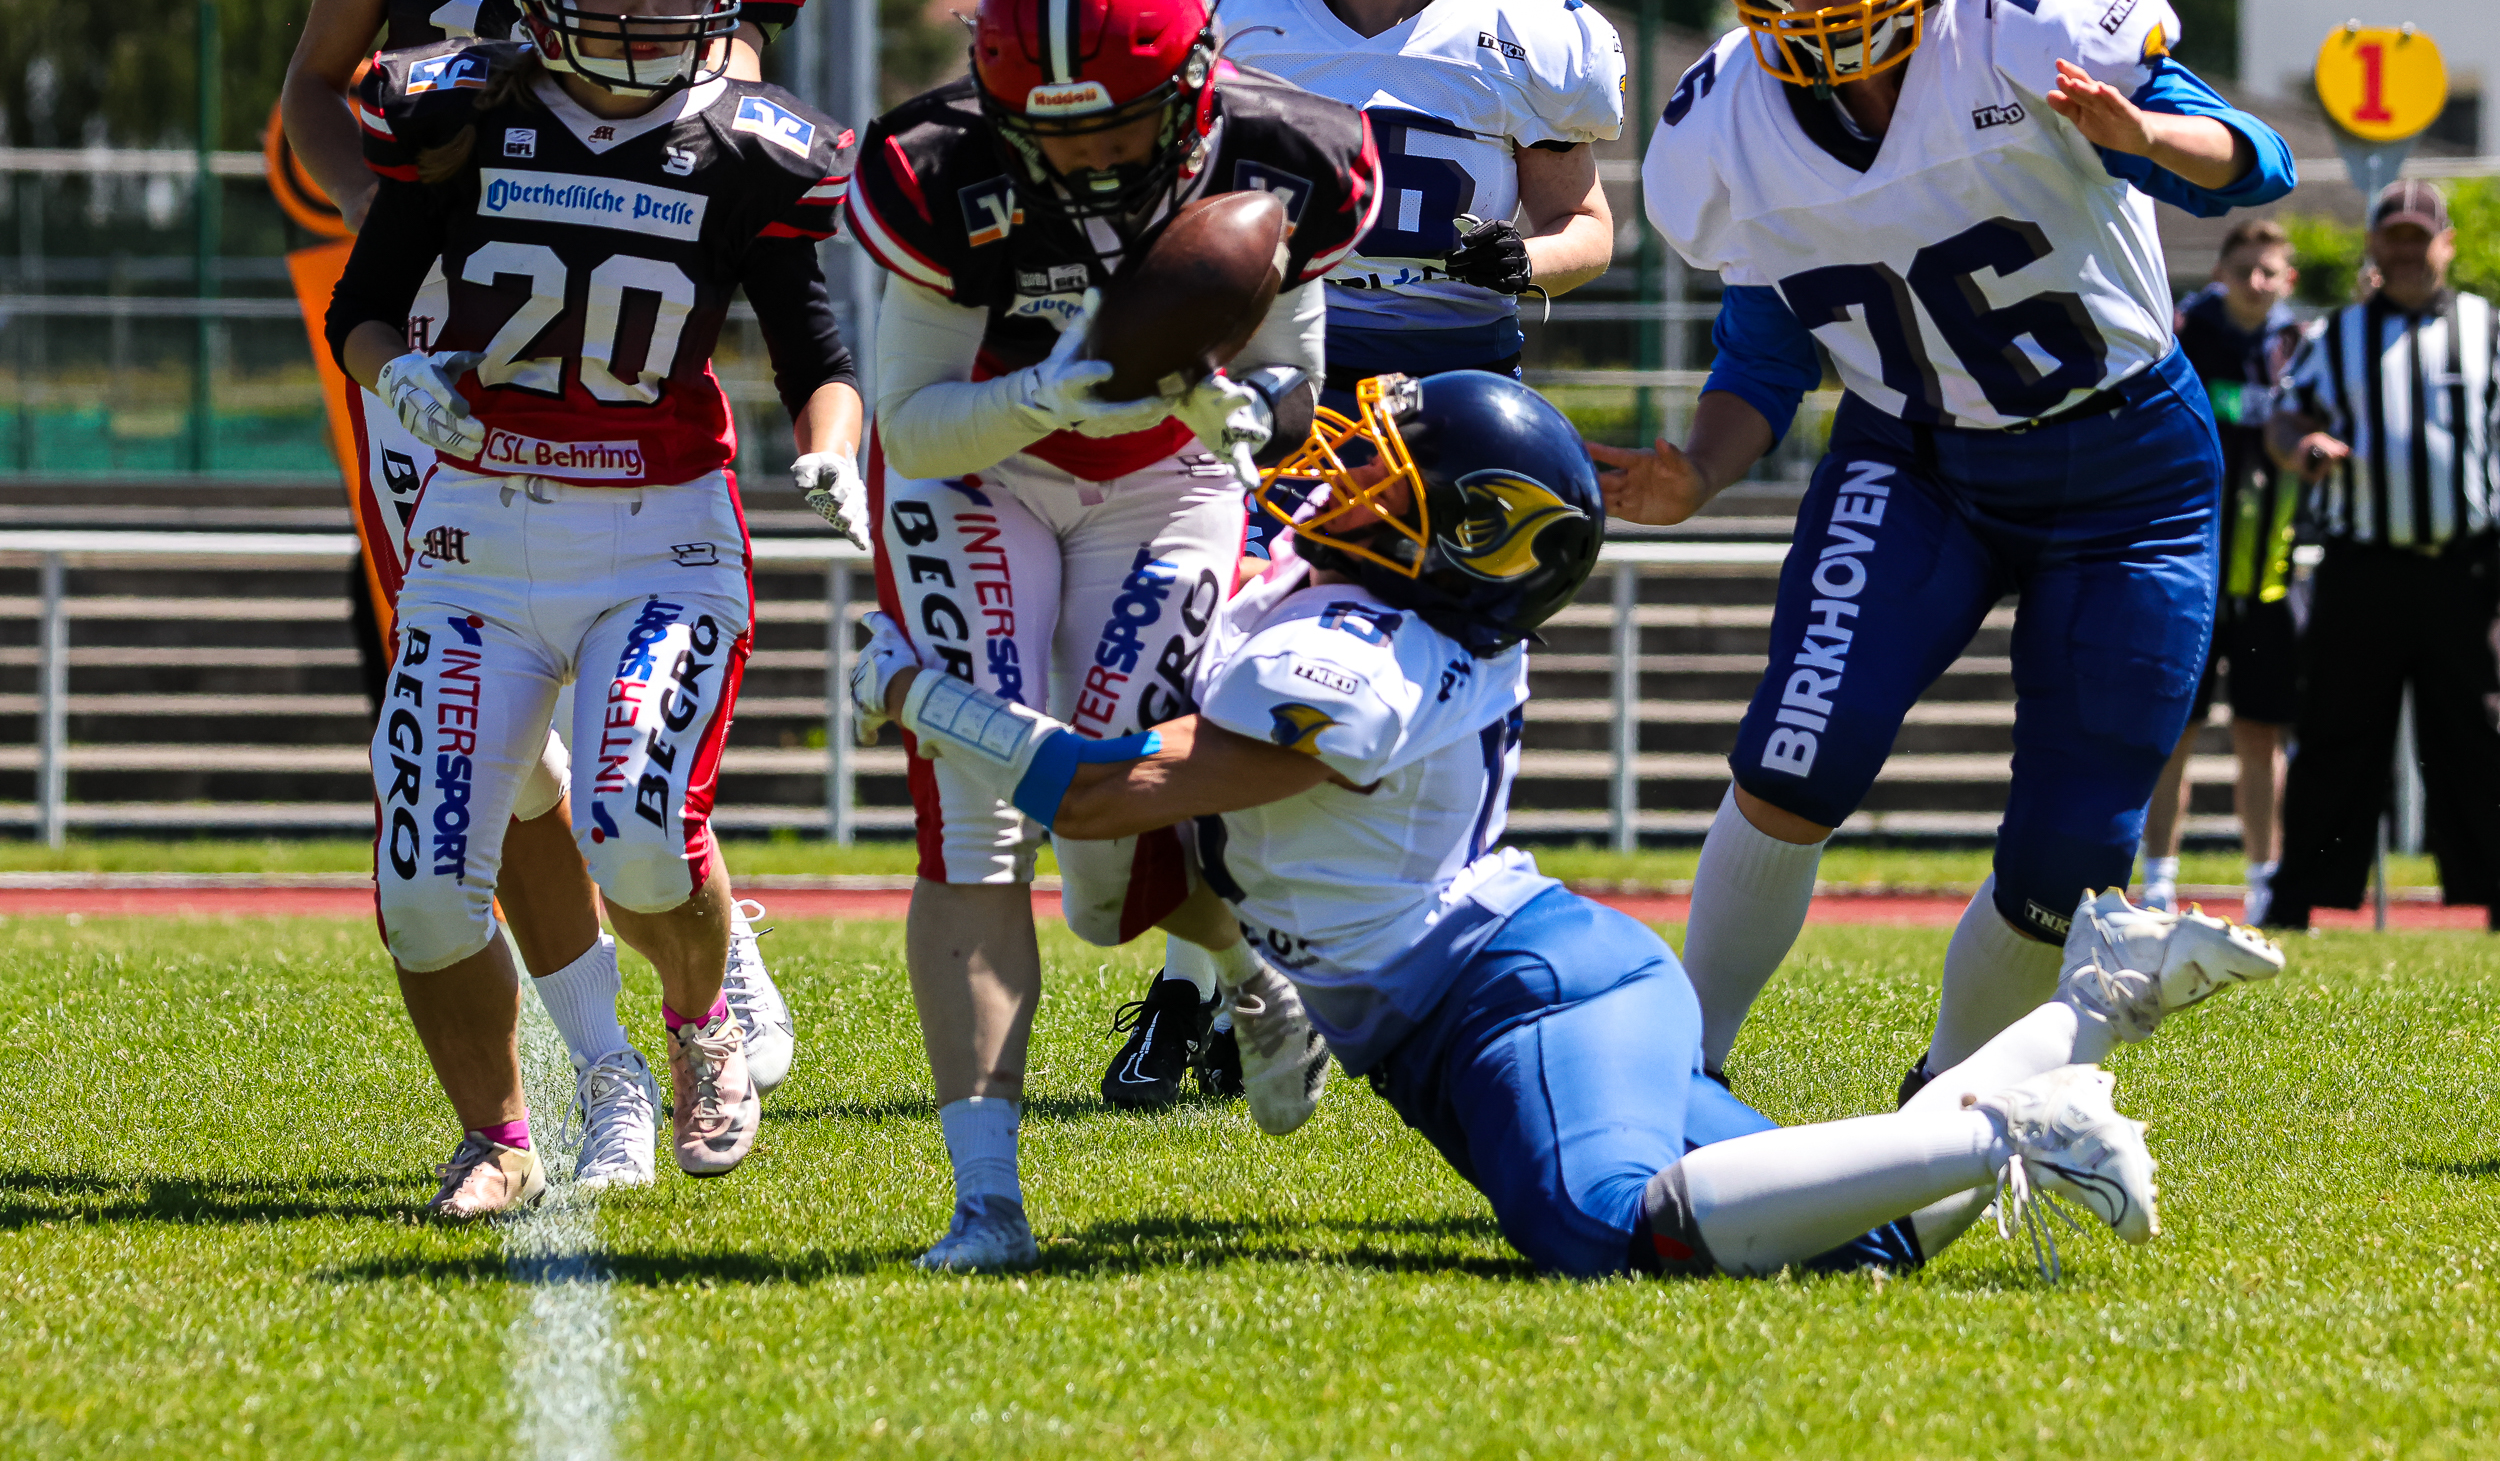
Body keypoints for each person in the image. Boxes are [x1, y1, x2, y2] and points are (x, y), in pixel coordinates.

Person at [848, 369, 2287, 1279]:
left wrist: (920, 693)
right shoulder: (1379, 602)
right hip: (1518, 987)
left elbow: (1108, 789)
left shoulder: (1359, 659)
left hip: (1509, 996)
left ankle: (2003, 1128)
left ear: (1456, 536)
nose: (1343, 471)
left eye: (1386, 470)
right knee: (1862, 1243)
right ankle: (2091, 1012)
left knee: (1614, 1222)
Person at [1592, 0, 2295, 1096]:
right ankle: (1675, 1075)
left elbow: (2254, 162)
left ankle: (1948, 1099)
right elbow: (1766, 343)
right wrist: (1701, 462)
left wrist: (2145, 138)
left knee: (2070, 852)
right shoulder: (1724, 121)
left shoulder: (2030, 27)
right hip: (1914, 458)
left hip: (2129, 471)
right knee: (1798, 756)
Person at [284, 0, 822, 1185]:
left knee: (629, 809)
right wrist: (419, 267)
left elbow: (710, 146)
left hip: (638, 455)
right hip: (461, 400)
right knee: (471, 790)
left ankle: (692, 947)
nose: (645, 10)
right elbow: (318, 98)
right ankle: (569, 1087)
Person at [842, 0, 1380, 1270]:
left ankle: (1254, 978)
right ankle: (986, 1200)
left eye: (1115, 123)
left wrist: (1256, 410)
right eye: (1054, 124)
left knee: (1101, 841)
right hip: (979, 469)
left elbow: (1300, 366)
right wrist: (1039, 387)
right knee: (981, 826)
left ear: (1198, 79)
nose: (1082, 153)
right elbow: (909, 420)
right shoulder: (938, 163)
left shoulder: (1286, 147)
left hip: (1167, 479)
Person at [1087, 0, 1627, 1112]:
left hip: (1451, 407)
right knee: (1212, 665)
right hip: (1277, 377)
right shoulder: (1224, 10)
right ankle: (1198, 984)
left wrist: (1533, 259)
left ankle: (1411, 958)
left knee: (1436, 690)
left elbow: (1590, 220)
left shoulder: (1530, 31)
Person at [2265, 180, 2500, 928]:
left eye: (2418, 235)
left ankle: (2495, 892)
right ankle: (2299, 898)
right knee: (2337, 732)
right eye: (2392, 234)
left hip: (2466, 570)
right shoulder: (2334, 336)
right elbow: (2282, 417)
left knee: (2480, 734)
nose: (2405, 249)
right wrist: (2301, 445)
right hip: (2361, 567)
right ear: (2372, 243)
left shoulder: (2484, 328)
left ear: (2446, 243)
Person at [2137, 221, 2305, 919]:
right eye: (2245, 268)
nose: (2256, 282)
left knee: (2261, 732)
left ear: (2287, 280)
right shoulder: (2182, 332)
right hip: (2189, 566)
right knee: (2174, 730)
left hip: (2270, 572)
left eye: (2270, 271)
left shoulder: (2304, 346)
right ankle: (2157, 881)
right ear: (2221, 269)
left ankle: (2265, 881)